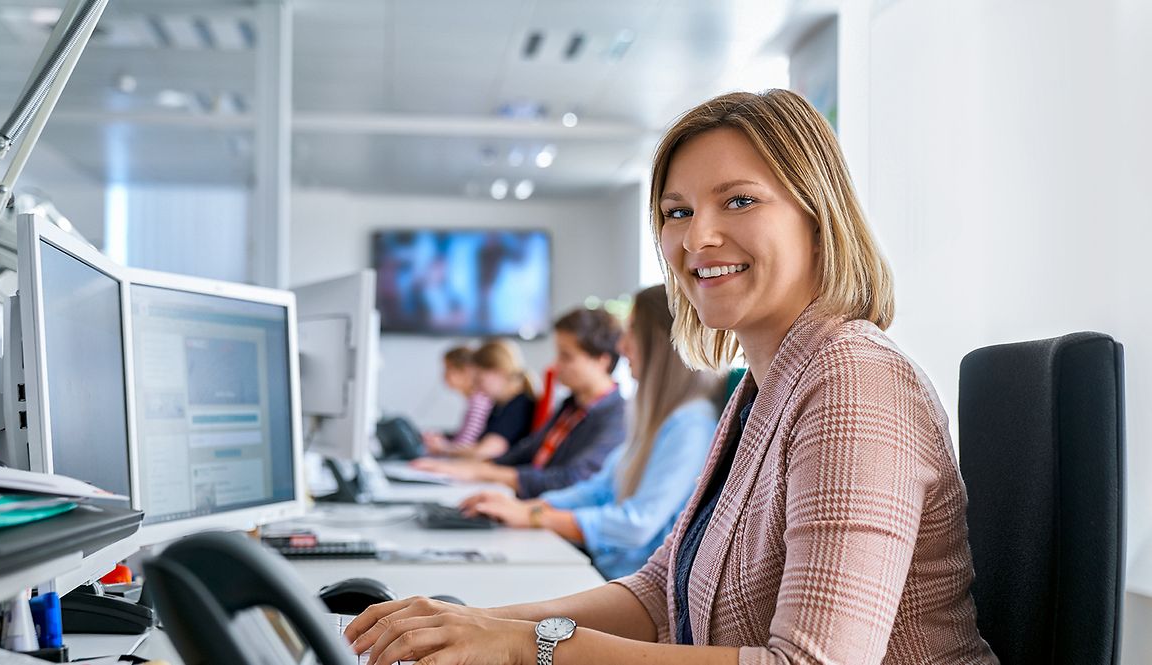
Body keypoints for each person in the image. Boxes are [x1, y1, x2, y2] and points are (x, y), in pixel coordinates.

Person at [345, 89, 998, 664]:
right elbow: (661, 592)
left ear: (818, 217)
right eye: (676, 211)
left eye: (738, 200)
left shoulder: (854, 380)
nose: (696, 238)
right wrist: (483, 624)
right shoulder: (762, 388)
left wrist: (526, 647)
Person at [460, 285, 719, 580]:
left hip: (630, 581)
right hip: (607, 569)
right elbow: (600, 489)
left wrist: (534, 516)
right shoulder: (654, 416)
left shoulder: (690, 424)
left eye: (632, 331)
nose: (621, 346)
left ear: (661, 342)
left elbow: (636, 524)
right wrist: (524, 507)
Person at [413, 307, 627, 499]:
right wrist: (474, 468)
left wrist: (483, 471)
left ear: (602, 360)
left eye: (566, 357)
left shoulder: (618, 416)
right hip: (529, 503)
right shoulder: (571, 405)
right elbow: (527, 451)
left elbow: (571, 480)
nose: (556, 365)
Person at [436, 339, 536, 461]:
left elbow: (486, 451)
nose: (477, 388)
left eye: (479, 380)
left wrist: (444, 449)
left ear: (498, 371)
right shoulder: (500, 406)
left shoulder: (519, 405)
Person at [422, 346, 495, 456]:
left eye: (448, 369)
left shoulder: (479, 402)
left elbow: (466, 444)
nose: (444, 375)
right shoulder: (475, 400)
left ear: (466, 370)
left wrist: (441, 446)